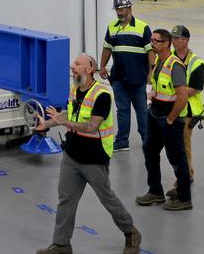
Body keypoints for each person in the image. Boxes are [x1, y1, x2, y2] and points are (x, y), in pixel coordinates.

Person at [34, 54, 142, 254]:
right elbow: (70, 114)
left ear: (89, 68)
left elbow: (92, 126)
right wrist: (47, 123)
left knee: (107, 198)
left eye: (77, 64)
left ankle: (131, 232)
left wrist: (63, 121)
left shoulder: (102, 95)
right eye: (73, 63)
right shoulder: (75, 89)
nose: (72, 67)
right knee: (66, 199)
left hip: (94, 156)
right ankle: (61, 244)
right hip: (72, 154)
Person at [135, 28, 193, 211]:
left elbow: (182, 97)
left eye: (155, 41)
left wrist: (171, 119)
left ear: (166, 43)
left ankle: (184, 198)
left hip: (168, 118)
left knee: (176, 158)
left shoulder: (174, 65)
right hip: (155, 113)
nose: (151, 44)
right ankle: (155, 191)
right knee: (150, 150)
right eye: (151, 40)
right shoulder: (159, 61)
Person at [98, 0, 151, 152]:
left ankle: (147, 140)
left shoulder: (143, 28)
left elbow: (150, 52)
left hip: (138, 78)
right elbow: (107, 48)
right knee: (122, 110)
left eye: (121, 9)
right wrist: (102, 67)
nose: (119, 13)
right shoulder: (112, 27)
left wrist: (151, 72)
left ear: (129, 8)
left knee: (141, 110)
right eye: (117, 10)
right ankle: (122, 141)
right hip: (118, 77)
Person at [167, 25, 204, 201]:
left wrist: (177, 94)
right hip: (171, 108)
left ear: (186, 40)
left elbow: (195, 89)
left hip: (187, 111)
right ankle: (186, 171)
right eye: (172, 38)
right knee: (175, 145)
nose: (173, 41)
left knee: (183, 145)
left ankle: (186, 175)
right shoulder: (169, 59)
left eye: (177, 38)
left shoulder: (196, 63)